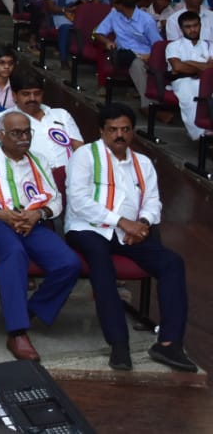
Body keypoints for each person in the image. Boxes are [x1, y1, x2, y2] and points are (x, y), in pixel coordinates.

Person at [65, 104, 195, 372]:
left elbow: (153, 201)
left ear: (132, 132)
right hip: (88, 228)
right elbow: (78, 202)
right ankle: (119, 344)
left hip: (131, 232)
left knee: (172, 263)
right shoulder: (85, 156)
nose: (119, 135)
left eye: (125, 129)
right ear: (101, 131)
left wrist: (143, 224)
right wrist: (123, 222)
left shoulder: (143, 163)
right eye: (113, 129)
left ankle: (169, 344)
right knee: (101, 263)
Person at [0, 110, 80, 362]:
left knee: (68, 263)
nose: (23, 138)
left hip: (30, 222)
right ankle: (17, 332)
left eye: (26, 132)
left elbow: (55, 200)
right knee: (14, 254)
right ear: (1, 135)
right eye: (16, 133)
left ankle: (28, 311)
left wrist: (38, 214)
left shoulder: (39, 160)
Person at [0, 74, 84, 172]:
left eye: (37, 93)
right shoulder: (4, 118)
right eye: (26, 94)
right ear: (14, 96)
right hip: (31, 177)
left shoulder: (61, 114)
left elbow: (79, 149)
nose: (32, 98)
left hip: (71, 174)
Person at [92, 0, 162, 100]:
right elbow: (98, 33)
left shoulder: (147, 20)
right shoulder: (114, 15)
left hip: (144, 57)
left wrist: (149, 56)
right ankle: (148, 104)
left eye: (114, 1)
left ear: (121, 5)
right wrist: (107, 41)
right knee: (130, 59)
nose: (112, 4)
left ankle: (147, 104)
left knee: (137, 64)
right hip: (122, 54)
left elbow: (158, 45)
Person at [166, 10, 213, 142]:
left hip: (207, 81)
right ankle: (200, 136)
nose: (192, 30)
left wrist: (189, 62)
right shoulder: (173, 46)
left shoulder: (209, 45)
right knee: (190, 97)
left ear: (200, 25)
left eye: (195, 25)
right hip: (182, 80)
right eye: (188, 27)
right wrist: (204, 66)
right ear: (181, 29)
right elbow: (177, 67)